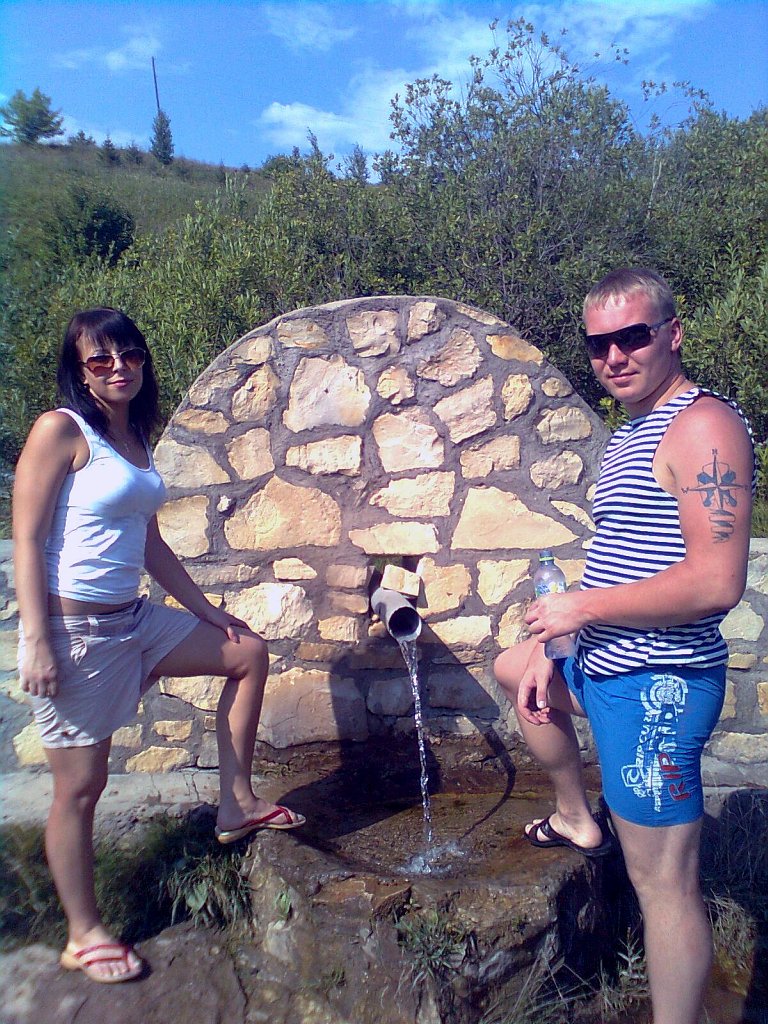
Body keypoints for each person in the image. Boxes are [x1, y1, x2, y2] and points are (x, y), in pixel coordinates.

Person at [13, 308, 305, 984]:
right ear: (80, 371)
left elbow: (148, 542)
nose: (119, 368)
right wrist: (35, 640)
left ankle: (237, 804)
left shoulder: (132, 436)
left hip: (137, 621)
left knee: (247, 653)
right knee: (80, 788)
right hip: (78, 633)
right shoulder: (62, 430)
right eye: (100, 359)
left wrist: (207, 611)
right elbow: (26, 538)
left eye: (130, 355)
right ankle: (83, 933)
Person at [494, 269, 754, 1024]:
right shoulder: (633, 431)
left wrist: (581, 606)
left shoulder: (702, 427)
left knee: (664, 888)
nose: (614, 356)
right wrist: (557, 638)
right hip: (606, 661)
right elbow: (628, 555)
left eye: (632, 337)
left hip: (656, 685)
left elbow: (716, 581)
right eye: (598, 344)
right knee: (515, 669)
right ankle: (578, 816)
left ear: (672, 334)